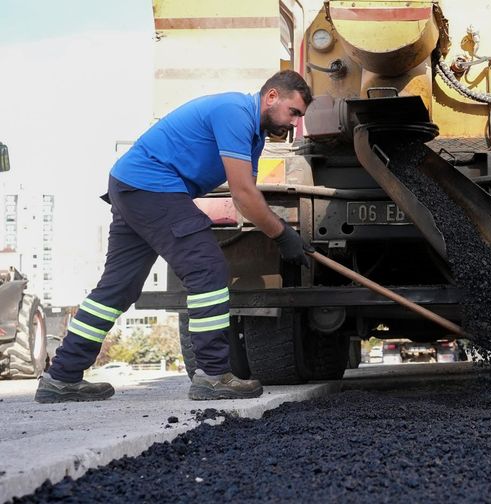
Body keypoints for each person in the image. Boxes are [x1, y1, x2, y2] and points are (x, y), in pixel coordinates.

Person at [35, 70, 314, 403]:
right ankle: (213, 375)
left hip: (133, 185)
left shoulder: (253, 135)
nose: (295, 123)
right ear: (271, 97)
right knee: (207, 268)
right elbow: (242, 194)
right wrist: (283, 235)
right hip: (152, 186)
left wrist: (279, 235)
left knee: (118, 287)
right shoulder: (235, 113)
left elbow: (247, 195)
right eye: (293, 112)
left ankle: (62, 377)